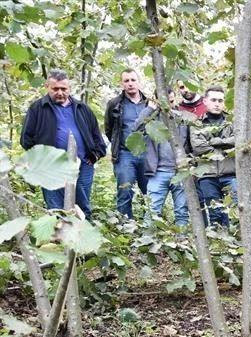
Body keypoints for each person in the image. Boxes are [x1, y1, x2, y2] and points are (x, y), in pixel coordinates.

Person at [20, 68, 106, 220]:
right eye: (55, 89)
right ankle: (61, 240)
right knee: (55, 207)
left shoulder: (82, 109)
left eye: (63, 89)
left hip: (83, 164)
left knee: (82, 204)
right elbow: (26, 139)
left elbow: (96, 136)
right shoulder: (38, 108)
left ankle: (83, 238)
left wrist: (95, 155)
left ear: (69, 88)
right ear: (47, 86)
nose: (60, 92)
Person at [133, 90, 189, 226]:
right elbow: (137, 128)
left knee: (182, 211)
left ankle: (182, 242)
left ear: (174, 99)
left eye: (171, 101)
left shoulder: (182, 118)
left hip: (180, 172)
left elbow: (190, 143)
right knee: (153, 211)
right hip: (158, 171)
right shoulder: (151, 119)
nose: (168, 105)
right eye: (164, 102)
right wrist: (150, 108)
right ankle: (147, 242)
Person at [190, 86, 237, 227]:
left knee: (234, 209)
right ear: (205, 101)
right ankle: (218, 242)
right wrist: (224, 146)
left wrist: (217, 142)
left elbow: (238, 140)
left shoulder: (232, 122)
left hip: (230, 173)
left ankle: (235, 241)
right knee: (214, 212)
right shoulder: (197, 123)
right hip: (207, 175)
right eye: (213, 100)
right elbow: (198, 147)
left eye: (220, 100)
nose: (217, 104)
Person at [105, 68, 149, 220]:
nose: (130, 84)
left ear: (139, 82)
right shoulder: (114, 104)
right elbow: (109, 130)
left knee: (149, 193)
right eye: (126, 81)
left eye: (133, 80)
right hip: (125, 154)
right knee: (125, 190)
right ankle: (126, 228)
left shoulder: (149, 103)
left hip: (147, 154)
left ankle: (150, 228)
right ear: (122, 84)